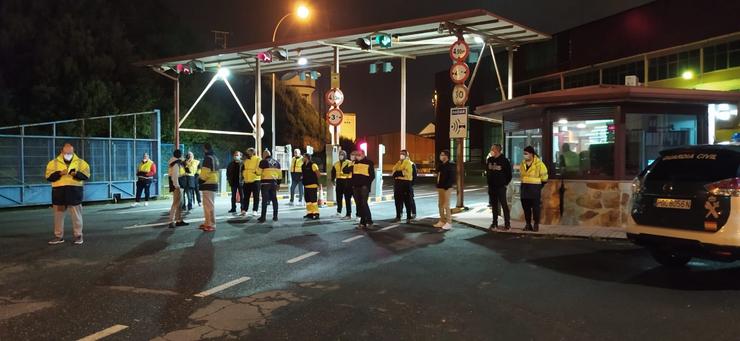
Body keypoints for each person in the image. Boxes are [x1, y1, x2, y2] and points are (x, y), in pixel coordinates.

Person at [45, 143, 90, 245]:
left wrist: (76, 174)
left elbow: (86, 175)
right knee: (58, 216)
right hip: (59, 193)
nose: (68, 154)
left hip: (74, 192)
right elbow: (48, 177)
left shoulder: (81, 163)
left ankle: (78, 236)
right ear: (62, 152)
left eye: (70, 152)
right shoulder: (53, 163)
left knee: (76, 216)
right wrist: (59, 173)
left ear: (73, 152)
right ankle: (58, 236)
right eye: (66, 153)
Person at [344, 149, 375, 229]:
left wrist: (366, 185)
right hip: (356, 187)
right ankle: (365, 221)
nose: (357, 156)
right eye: (356, 155)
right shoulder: (354, 163)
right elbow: (345, 170)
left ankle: (367, 221)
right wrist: (352, 163)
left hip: (364, 187)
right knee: (359, 205)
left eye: (359, 154)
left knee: (364, 204)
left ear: (363, 154)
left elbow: (372, 176)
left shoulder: (369, 162)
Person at [520, 145, 548, 232]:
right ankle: (528, 224)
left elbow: (544, 178)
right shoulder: (523, 163)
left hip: (534, 189)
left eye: (526, 153)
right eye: (524, 153)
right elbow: (522, 176)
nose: (524, 155)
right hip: (524, 189)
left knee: (536, 208)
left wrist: (539, 187)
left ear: (531, 154)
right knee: (526, 208)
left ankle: (536, 224)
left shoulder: (539, 164)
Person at [486, 144, 513, 230]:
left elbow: (509, 174)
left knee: (503, 205)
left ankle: (507, 223)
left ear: (497, 150)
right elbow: (487, 171)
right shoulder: (489, 160)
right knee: (494, 205)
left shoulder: (504, 161)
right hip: (492, 186)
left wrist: (505, 183)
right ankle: (494, 223)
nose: (491, 150)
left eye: (492, 149)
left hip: (501, 186)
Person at [199, 144, 220, 232]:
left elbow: (205, 172)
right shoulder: (214, 157)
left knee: (209, 205)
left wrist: (200, 180)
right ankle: (207, 223)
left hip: (208, 183)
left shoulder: (208, 158)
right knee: (207, 205)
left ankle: (211, 224)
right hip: (213, 182)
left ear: (205, 149)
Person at [257, 149, 281, 223]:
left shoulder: (263, 162)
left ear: (264, 155)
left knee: (264, 200)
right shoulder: (277, 162)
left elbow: (258, 172)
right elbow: (280, 175)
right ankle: (275, 216)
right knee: (274, 199)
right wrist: (278, 184)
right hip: (274, 183)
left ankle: (263, 217)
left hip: (265, 183)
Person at [167, 149, 189, 229]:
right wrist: (177, 186)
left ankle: (179, 220)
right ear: (179, 155)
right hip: (178, 186)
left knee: (179, 204)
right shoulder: (176, 164)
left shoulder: (177, 163)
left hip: (179, 185)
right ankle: (171, 221)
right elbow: (175, 176)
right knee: (176, 203)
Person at [434, 149, 455, 232]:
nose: (441, 156)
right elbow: (438, 173)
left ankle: (449, 222)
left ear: (447, 156)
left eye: (442, 155)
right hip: (440, 187)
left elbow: (452, 177)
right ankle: (442, 221)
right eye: (441, 155)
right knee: (440, 204)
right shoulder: (441, 165)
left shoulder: (451, 165)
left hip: (447, 187)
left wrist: (447, 186)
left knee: (446, 205)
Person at [391, 150, 414, 223]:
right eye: (400, 153)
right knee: (397, 201)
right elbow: (393, 172)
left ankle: (408, 217)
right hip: (398, 184)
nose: (401, 155)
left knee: (407, 201)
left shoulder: (408, 163)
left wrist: (398, 172)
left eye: (403, 154)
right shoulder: (398, 162)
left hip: (405, 183)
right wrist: (399, 172)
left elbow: (407, 173)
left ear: (407, 155)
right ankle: (398, 216)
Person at [330, 150, 353, 220]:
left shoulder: (349, 162)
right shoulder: (336, 164)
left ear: (345, 155)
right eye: (340, 154)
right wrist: (332, 179)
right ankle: (338, 212)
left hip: (347, 181)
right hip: (339, 181)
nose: (341, 156)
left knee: (347, 199)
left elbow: (351, 171)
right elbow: (333, 172)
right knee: (338, 198)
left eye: (342, 154)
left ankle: (348, 214)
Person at [241, 148, 261, 217]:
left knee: (256, 196)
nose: (247, 153)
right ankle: (244, 210)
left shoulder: (258, 159)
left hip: (255, 180)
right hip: (247, 180)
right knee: (246, 197)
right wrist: (243, 175)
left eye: (248, 152)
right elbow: (243, 169)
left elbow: (259, 168)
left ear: (252, 152)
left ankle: (255, 210)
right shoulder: (246, 160)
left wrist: (256, 172)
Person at [301, 153, 321, 220]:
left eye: (303, 157)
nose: (302, 158)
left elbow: (318, 174)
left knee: (313, 200)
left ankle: (316, 213)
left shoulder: (313, 165)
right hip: (306, 185)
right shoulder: (303, 166)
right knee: (308, 201)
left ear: (307, 158)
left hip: (312, 185)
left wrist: (318, 183)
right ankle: (309, 213)